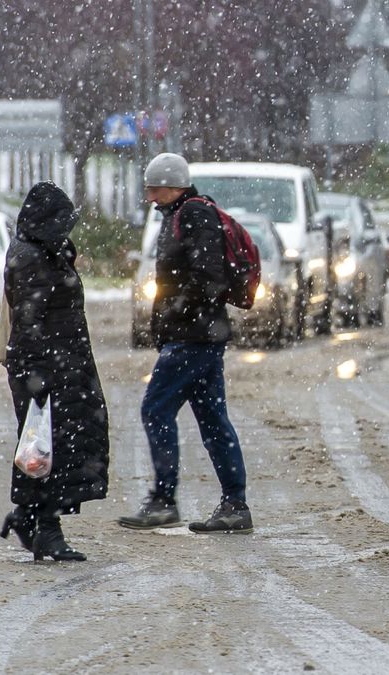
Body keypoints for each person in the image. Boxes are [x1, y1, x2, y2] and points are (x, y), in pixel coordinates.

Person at [118, 153, 252, 534]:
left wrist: (178, 313)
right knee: (212, 420)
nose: (150, 197)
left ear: (174, 185)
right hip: (199, 335)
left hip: (193, 337)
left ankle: (164, 500)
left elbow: (208, 276)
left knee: (155, 409)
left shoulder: (193, 214)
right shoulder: (179, 215)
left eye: (155, 189)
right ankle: (235, 505)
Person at [0, 182, 108, 561]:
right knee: (47, 446)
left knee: (53, 445)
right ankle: (45, 527)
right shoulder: (31, 257)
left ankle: (30, 517)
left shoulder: (46, 251)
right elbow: (28, 323)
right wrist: (38, 376)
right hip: (45, 368)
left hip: (63, 364)